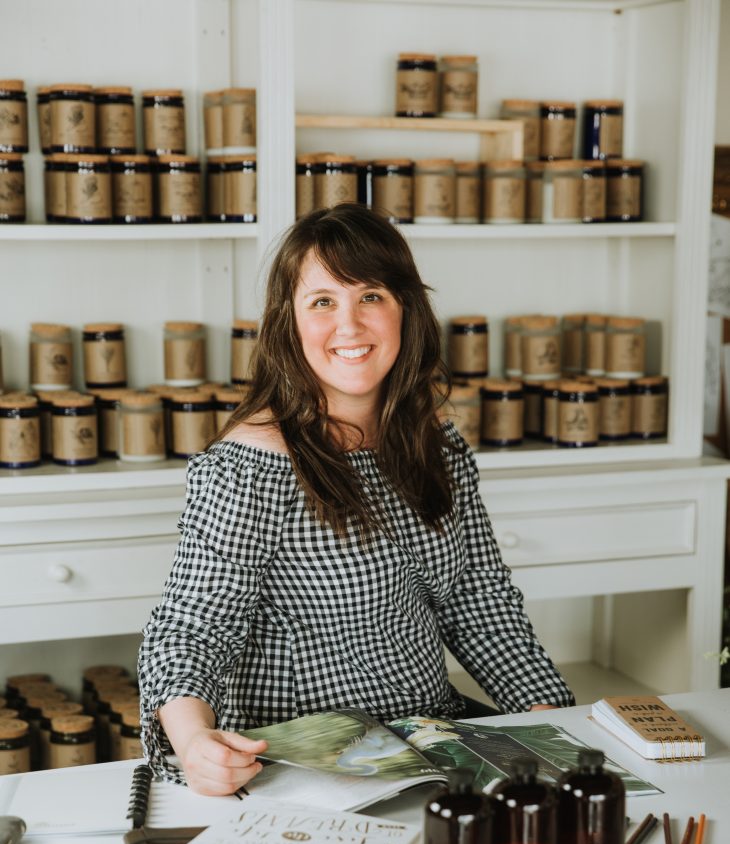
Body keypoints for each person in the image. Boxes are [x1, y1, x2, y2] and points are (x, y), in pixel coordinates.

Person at [138, 203, 573, 796]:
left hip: (427, 741)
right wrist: (194, 742)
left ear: (405, 310)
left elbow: (478, 602)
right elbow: (191, 629)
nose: (350, 325)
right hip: (300, 763)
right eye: (322, 302)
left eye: (371, 296)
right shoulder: (249, 467)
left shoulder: (437, 445)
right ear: (289, 323)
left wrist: (553, 718)